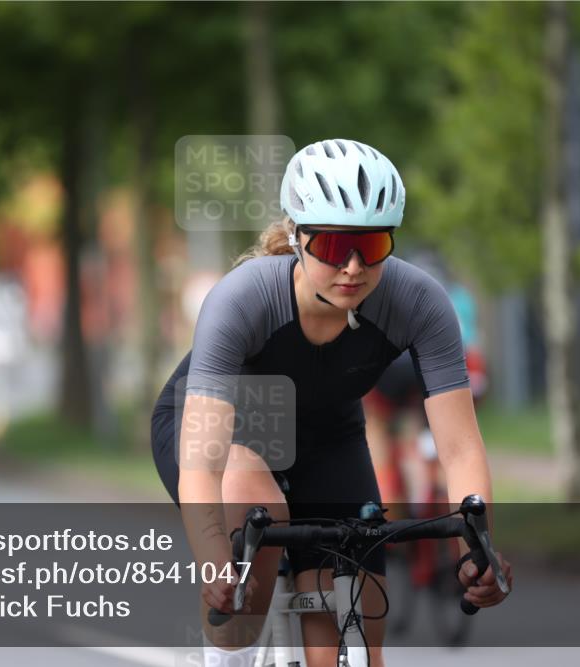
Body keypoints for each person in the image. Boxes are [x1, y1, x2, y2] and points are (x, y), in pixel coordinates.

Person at [151, 139, 512, 667]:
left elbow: (459, 450)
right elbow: (203, 463)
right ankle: (228, 653)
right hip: (223, 436)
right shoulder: (242, 298)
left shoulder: (419, 302)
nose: (353, 267)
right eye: (333, 246)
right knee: (253, 529)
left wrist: (475, 552)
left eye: (371, 245)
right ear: (296, 237)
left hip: (328, 438)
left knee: (351, 637)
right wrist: (215, 566)